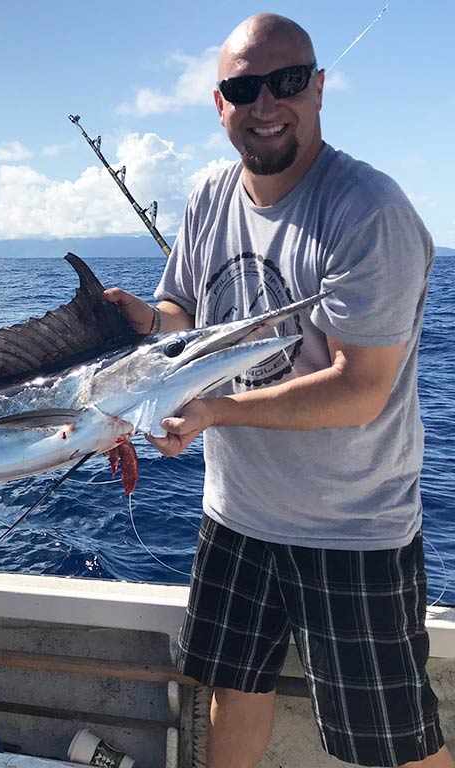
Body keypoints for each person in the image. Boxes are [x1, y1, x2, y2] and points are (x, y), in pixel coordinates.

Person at [105, 14, 448, 768]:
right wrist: (144, 323)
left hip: (352, 529)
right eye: (244, 87)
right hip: (237, 514)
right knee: (233, 688)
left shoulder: (370, 211)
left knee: (391, 742)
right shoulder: (207, 196)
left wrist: (213, 412)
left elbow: (359, 389)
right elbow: (183, 315)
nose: (266, 105)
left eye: (287, 82)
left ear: (320, 87)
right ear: (220, 103)